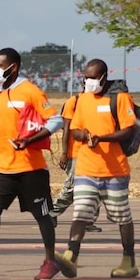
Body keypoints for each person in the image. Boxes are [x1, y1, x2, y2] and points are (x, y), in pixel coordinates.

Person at [0, 47, 64, 280]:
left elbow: (56, 120)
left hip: (31, 169)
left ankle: (50, 261)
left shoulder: (30, 92)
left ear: (13, 67)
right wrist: (0, 154)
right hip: (1, 168)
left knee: (43, 216)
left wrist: (29, 140)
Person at [55, 59, 139, 279]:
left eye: (93, 78)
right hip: (86, 168)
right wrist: (83, 135)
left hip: (115, 170)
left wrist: (102, 138)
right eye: (86, 77)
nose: (89, 82)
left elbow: (128, 130)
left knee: (122, 216)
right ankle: (70, 256)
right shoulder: (82, 99)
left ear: (104, 76)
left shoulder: (119, 98)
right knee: (81, 211)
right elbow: (74, 130)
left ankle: (128, 261)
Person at [50, 91, 102, 233]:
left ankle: (88, 221)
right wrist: (64, 153)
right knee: (73, 187)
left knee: (96, 188)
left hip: (95, 152)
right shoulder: (74, 101)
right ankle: (52, 212)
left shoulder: (101, 101)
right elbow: (66, 128)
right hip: (76, 153)